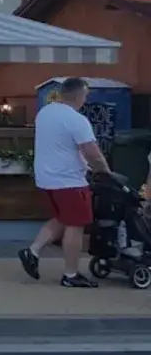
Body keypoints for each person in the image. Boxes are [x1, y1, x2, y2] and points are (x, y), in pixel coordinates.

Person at [18, 77, 113, 288]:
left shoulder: (45, 113)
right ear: (79, 95)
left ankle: (33, 251)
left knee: (62, 218)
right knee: (75, 225)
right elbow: (92, 153)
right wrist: (106, 172)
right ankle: (71, 274)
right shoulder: (76, 120)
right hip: (69, 181)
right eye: (86, 95)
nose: (85, 100)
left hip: (45, 178)